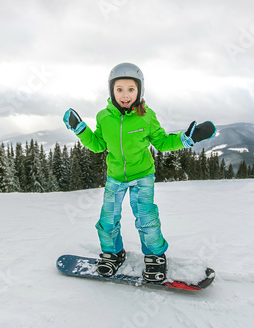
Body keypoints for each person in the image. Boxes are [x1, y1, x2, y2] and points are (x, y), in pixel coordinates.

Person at [63, 62, 216, 282]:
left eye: (131, 89)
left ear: (140, 91)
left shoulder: (147, 116)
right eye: (119, 89)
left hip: (143, 176)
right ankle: (113, 254)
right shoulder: (104, 118)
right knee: (107, 220)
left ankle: (155, 257)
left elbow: (162, 142)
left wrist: (186, 139)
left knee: (146, 218)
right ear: (111, 91)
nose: (125, 95)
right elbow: (97, 145)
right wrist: (80, 130)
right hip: (115, 177)